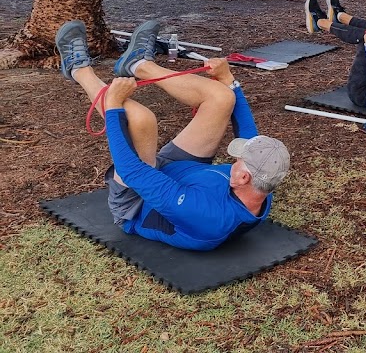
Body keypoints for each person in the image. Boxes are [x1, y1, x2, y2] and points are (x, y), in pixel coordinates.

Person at [54, 19, 289, 251]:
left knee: (141, 119)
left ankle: (79, 70)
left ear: (243, 179)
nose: (234, 160)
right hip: (184, 171)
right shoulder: (262, 185)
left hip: (137, 199)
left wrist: (113, 105)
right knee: (222, 97)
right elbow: (249, 135)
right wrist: (230, 81)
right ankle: (138, 64)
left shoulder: (206, 217)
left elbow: (132, 171)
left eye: (238, 161)